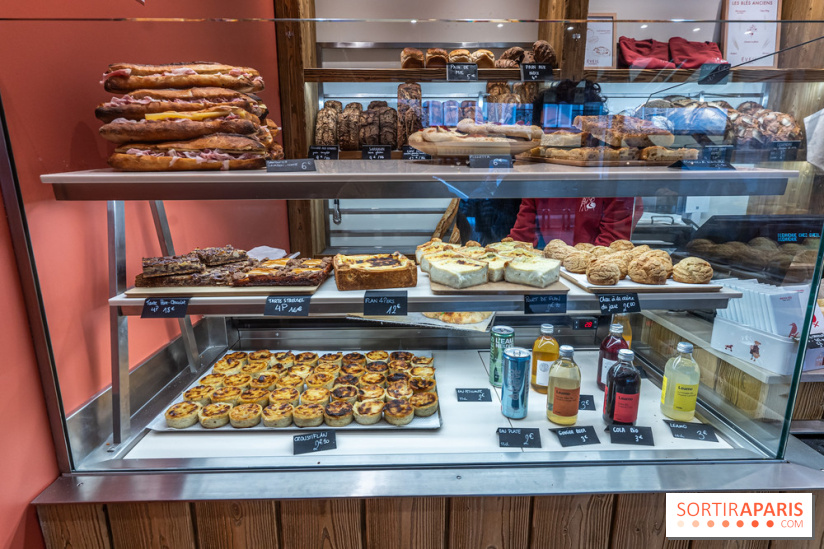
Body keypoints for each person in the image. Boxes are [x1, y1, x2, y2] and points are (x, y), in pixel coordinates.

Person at [508, 196, 643, 248]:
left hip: (593, 270)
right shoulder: (539, 173)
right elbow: (523, 234)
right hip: (551, 263)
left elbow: (612, 242)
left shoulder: (611, 171)